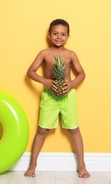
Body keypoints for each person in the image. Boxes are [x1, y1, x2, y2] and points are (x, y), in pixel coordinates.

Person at [24, 19, 90, 178]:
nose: (59, 37)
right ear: (49, 35)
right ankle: (33, 165)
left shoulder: (70, 54)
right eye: (55, 33)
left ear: (68, 36)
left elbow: (82, 74)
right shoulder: (44, 54)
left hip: (68, 95)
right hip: (50, 95)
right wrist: (45, 81)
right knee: (42, 130)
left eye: (63, 34)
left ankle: (82, 165)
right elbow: (30, 71)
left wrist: (72, 83)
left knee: (74, 129)